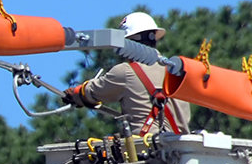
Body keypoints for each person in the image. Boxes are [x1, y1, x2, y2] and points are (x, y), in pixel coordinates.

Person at [63, 11, 192, 136]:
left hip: (148, 149)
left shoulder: (125, 72)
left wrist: (75, 94)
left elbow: (93, 92)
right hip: (184, 149)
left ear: (127, 44)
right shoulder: (176, 71)